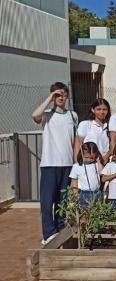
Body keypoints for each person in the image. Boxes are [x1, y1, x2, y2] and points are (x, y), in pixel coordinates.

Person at [32, 82, 79, 244]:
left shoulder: (73, 116)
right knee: (47, 202)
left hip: (67, 165)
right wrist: (50, 97)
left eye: (63, 94)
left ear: (67, 96)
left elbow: (75, 142)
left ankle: (60, 228)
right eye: (57, 95)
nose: (60, 97)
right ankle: (48, 234)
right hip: (49, 165)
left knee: (63, 201)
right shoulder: (46, 114)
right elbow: (34, 116)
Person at [74, 99, 111, 164]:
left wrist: (106, 156)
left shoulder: (109, 125)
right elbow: (78, 144)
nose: (102, 112)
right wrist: (77, 164)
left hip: (105, 163)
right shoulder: (86, 124)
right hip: (89, 163)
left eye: (104, 109)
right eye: (98, 109)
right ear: (93, 109)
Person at [69, 141, 103, 206]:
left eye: (92, 158)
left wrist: (99, 161)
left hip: (96, 193)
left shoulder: (96, 165)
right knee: (84, 213)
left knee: (96, 214)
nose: (89, 160)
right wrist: (75, 193)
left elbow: (101, 173)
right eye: (86, 157)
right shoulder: (77, 166)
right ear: (81, 155)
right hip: (83, 194)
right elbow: (74, 180)